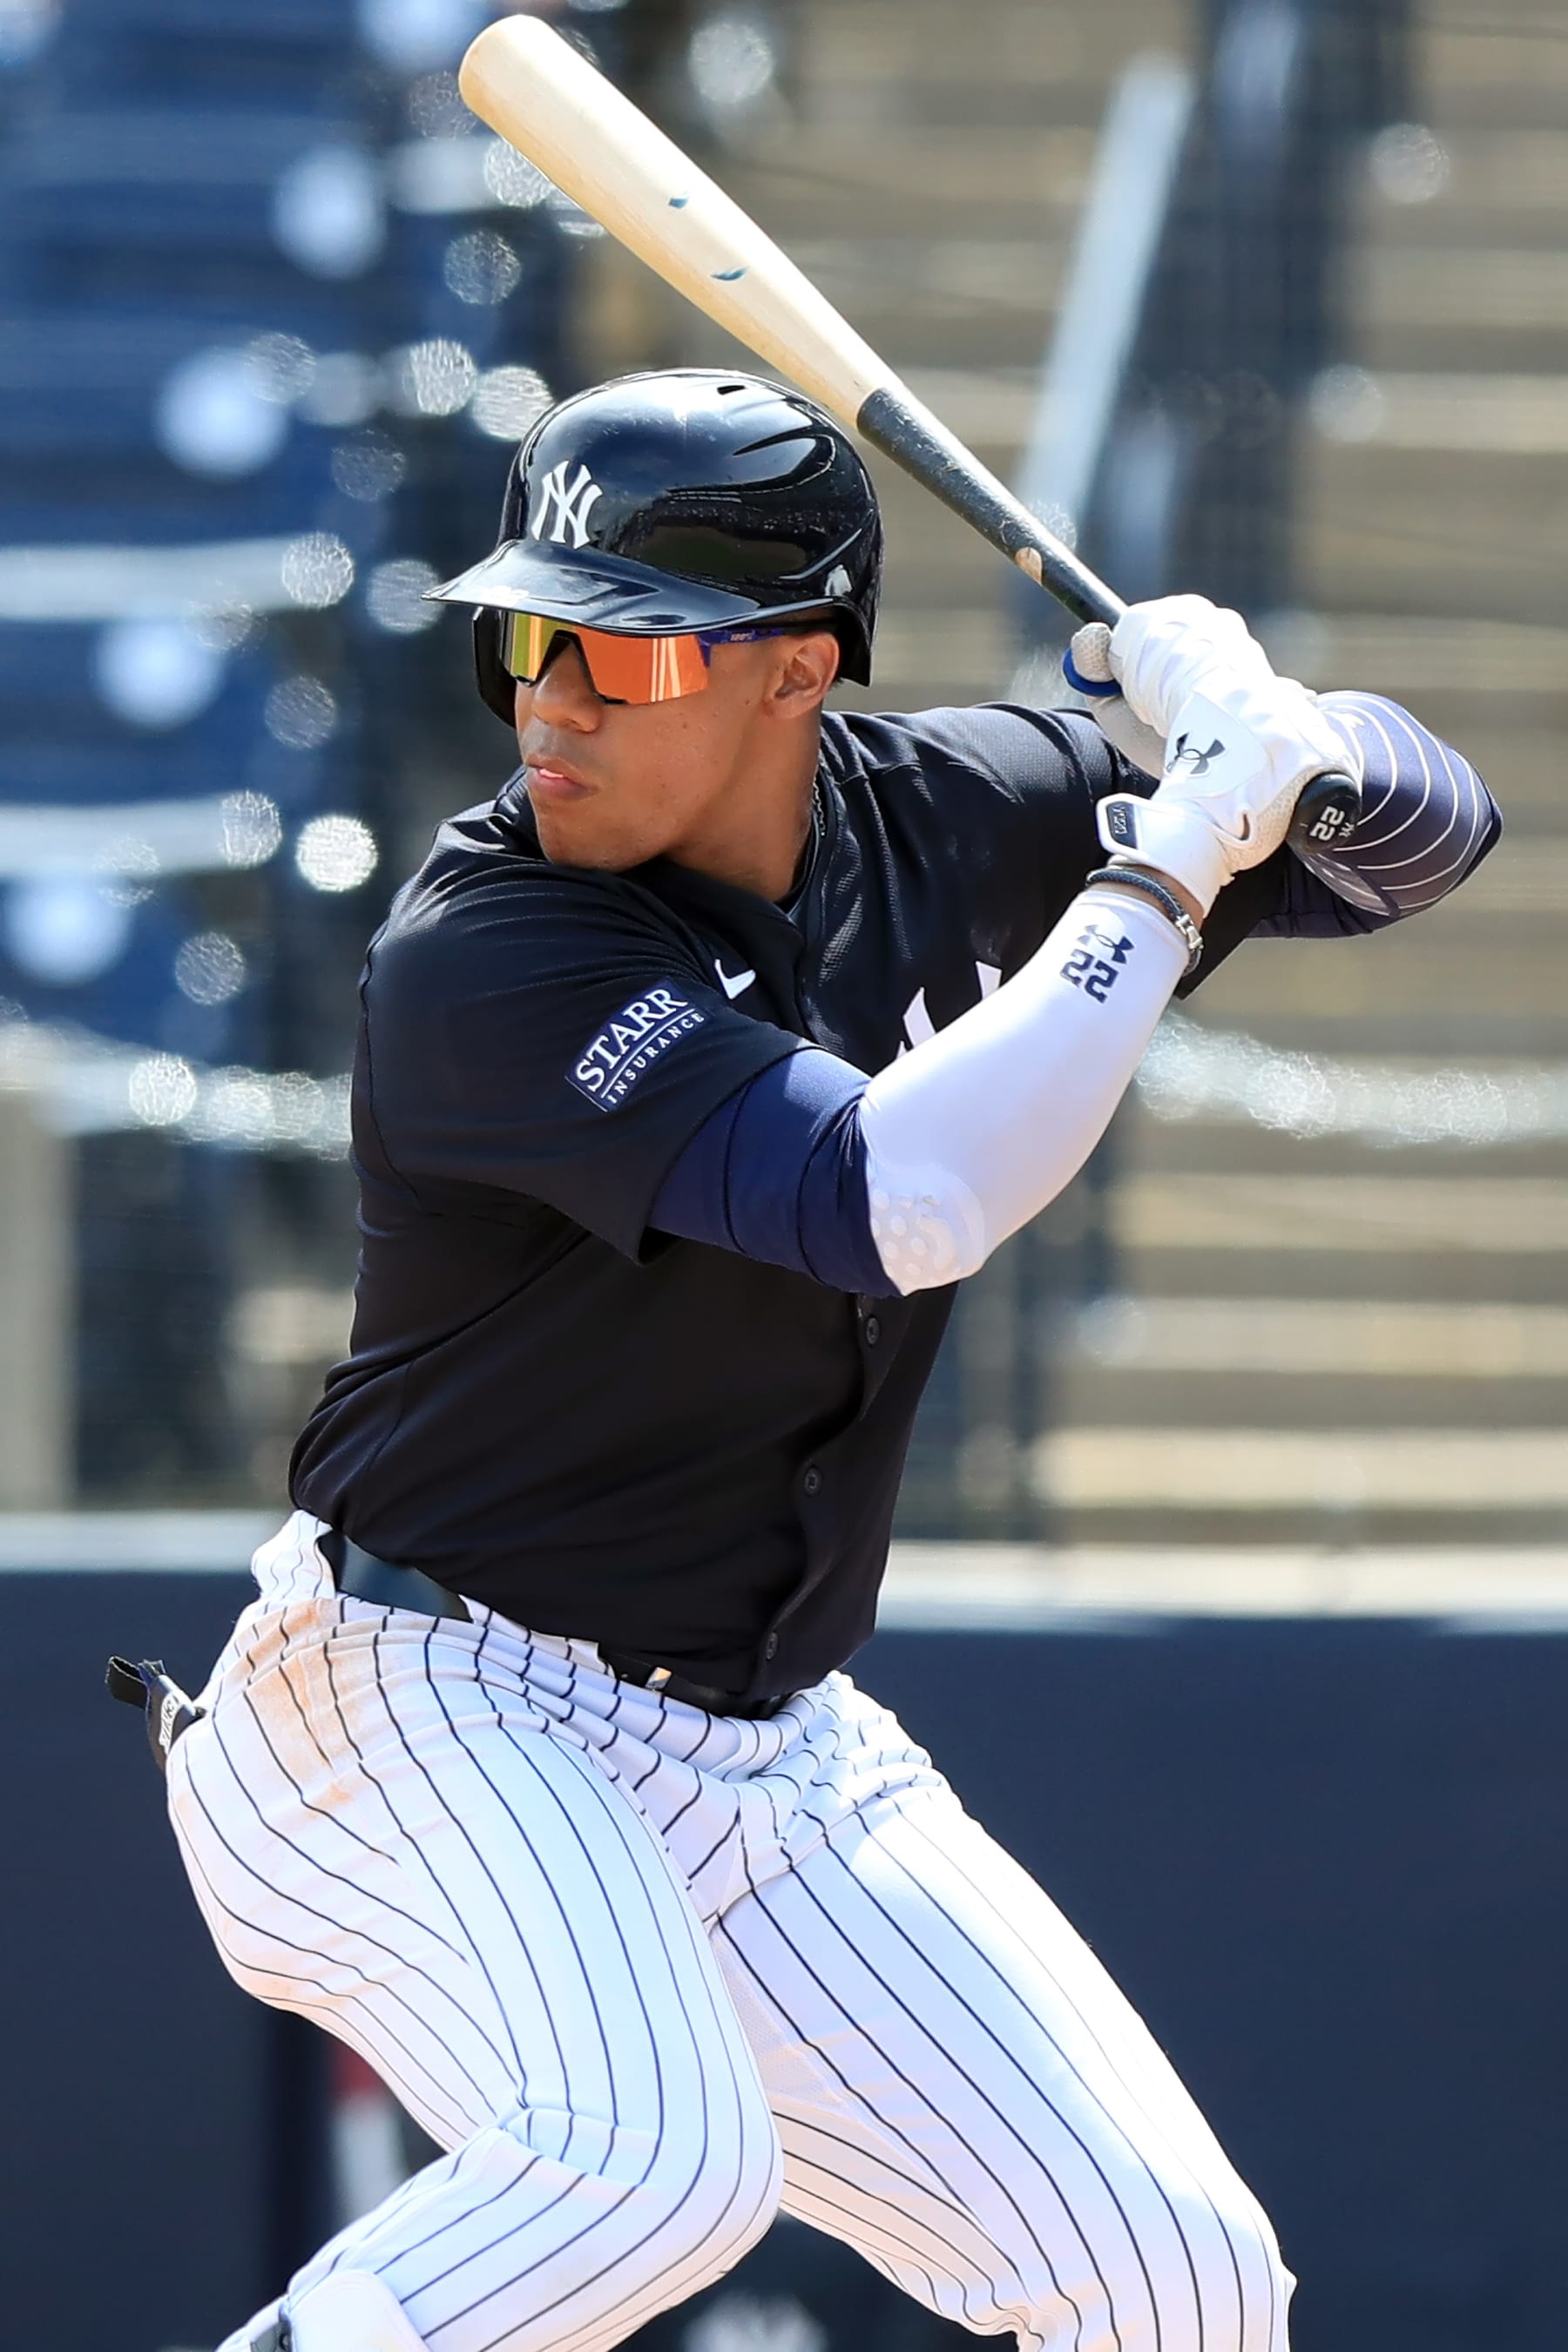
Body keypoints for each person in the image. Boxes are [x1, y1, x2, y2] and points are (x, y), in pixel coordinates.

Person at [168, 371, 1497, 2352]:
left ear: (797, 676)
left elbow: (1429, 843)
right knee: (644, 2169)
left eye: (622, 646)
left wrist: (1284, 728)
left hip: (766, 1750)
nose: (554, 698)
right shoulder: (490, 948)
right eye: (526, 633)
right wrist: (1164, 867)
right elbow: (911, 1198)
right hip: (410, 1698)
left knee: (1181, 2285)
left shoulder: (959, 815)